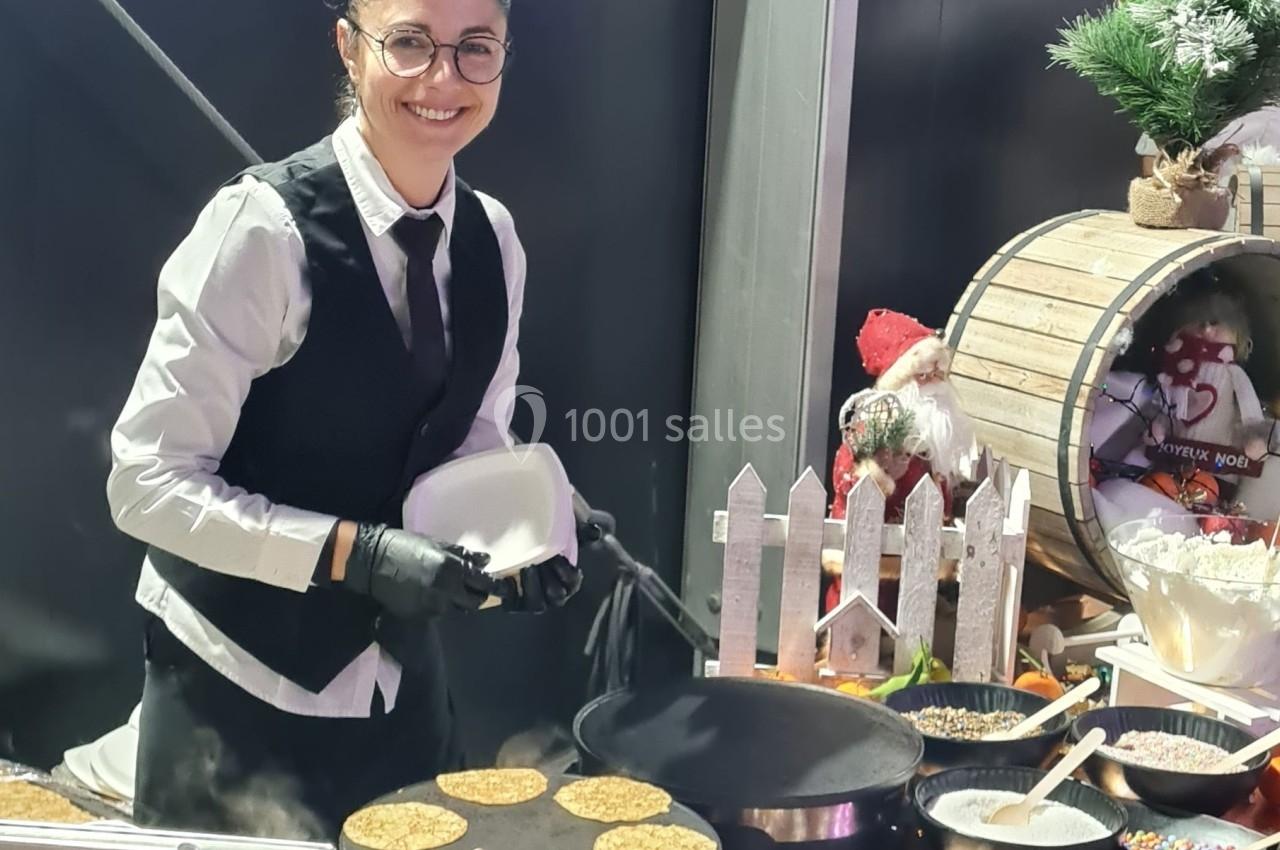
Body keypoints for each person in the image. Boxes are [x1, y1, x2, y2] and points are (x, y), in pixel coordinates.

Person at [106, 0, 580, 838]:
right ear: (349, 48)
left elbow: (467, 440)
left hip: (403, 691)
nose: (443, 79)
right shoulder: (261, 231)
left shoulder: (494, 239)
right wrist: (349, 555)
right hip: (237, 693)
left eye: (475, 47)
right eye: (408, 43)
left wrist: (519, 543)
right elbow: (146, 484)